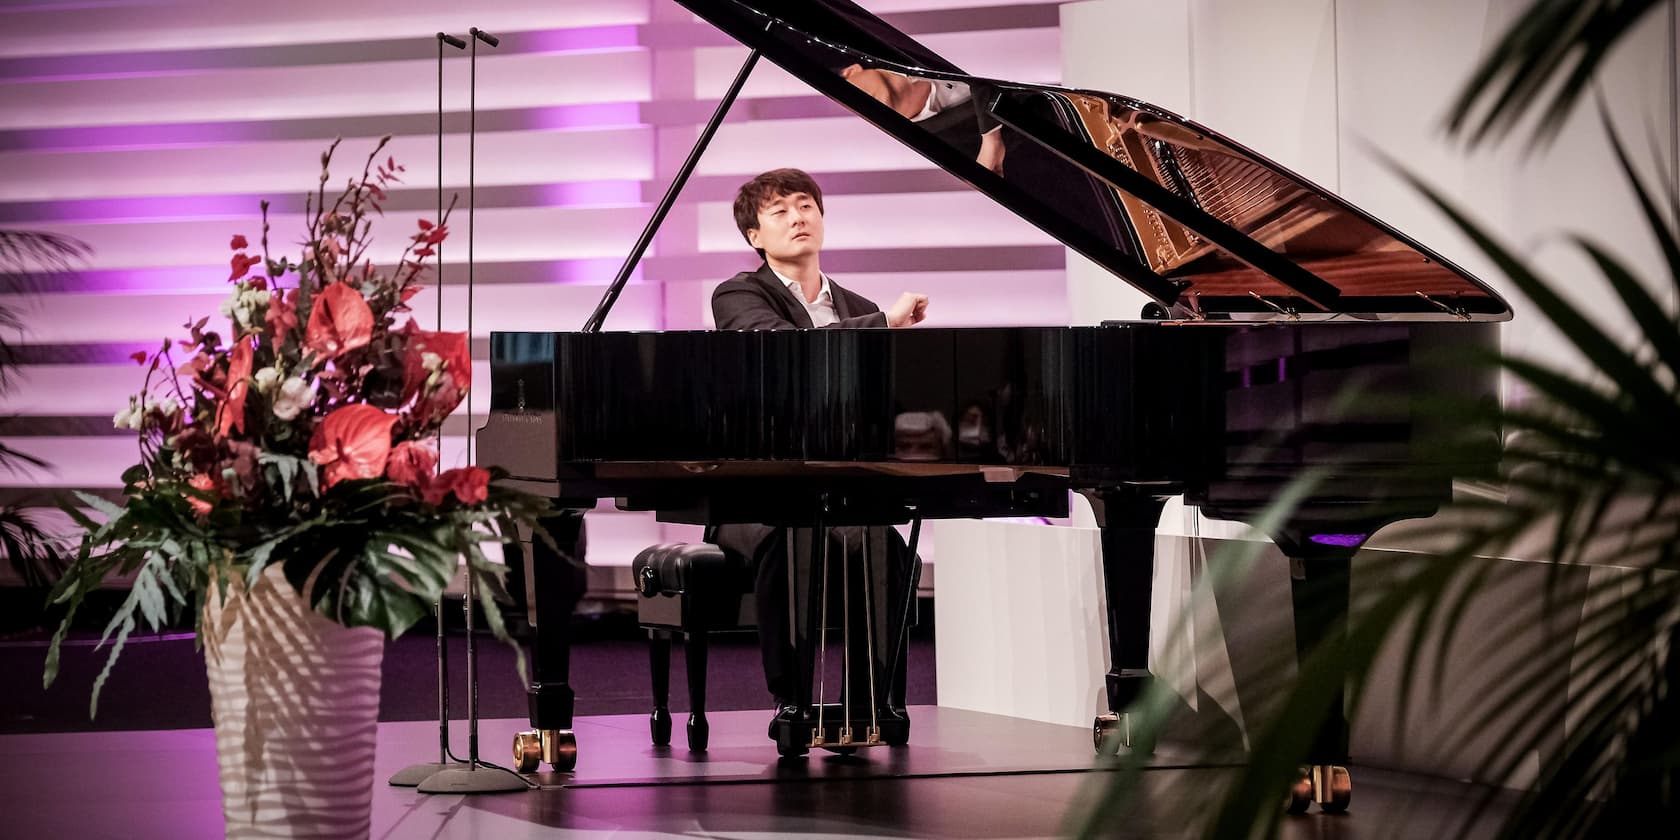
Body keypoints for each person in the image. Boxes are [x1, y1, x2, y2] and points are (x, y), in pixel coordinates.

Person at [710, 168, 925, 735]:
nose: (797, 217)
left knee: (889, 545)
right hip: (754, 492)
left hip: (839, 485)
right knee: (790, 536)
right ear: (754, 236)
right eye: (779, 211)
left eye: (806, 205)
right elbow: (785, 356)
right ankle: (793, 703)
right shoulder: (738, 294)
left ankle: (877, 703)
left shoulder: (855, 303)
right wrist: (883, 324)